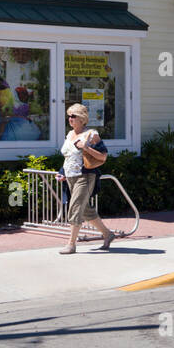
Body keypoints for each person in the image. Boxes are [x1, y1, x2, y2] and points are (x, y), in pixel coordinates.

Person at [55, 103, 115, 254]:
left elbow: (103, 156)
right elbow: (68, 157)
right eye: (69, 116)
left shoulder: (91, 134)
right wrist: (62, 172)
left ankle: (71, 244)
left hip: (86, 176)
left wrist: (85, 147)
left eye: (73, 116)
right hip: (70, 177)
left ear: (82, 119)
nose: (70, 119)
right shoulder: (69, 134)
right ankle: (108, 234)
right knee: (86, 211)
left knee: (75, 208)